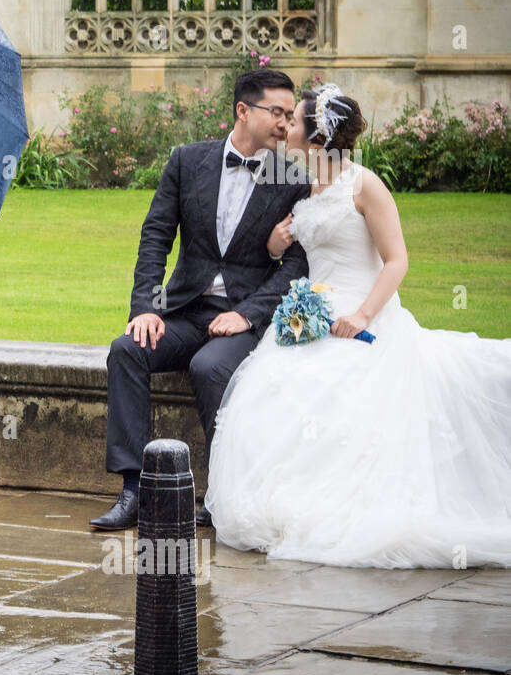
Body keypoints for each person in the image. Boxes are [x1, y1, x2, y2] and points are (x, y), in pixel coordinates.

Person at [205, 84, 511, 567]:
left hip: (363, 317)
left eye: (296, 121)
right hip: (313, 316)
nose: (287, 127)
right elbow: (305, 254)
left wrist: (364, 315)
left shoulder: (363, 184)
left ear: (319, 135)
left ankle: (334, 509)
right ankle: (286, 506)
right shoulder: (306, 185)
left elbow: (397, 261)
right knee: (272, 388)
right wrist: (273, 246)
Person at [91, 69, 310, 531]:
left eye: (290, 116)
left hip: (243, 317)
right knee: (126, 350)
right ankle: (134, 489)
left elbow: (296, 267)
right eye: (277, 112)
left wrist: (247, 314)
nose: (285, 124)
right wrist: (147, 308)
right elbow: (155, 238)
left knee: (209, 367)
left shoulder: (294, 180)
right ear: (243, 111)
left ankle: (221, 492)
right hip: (184, 310)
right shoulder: (187, 161)